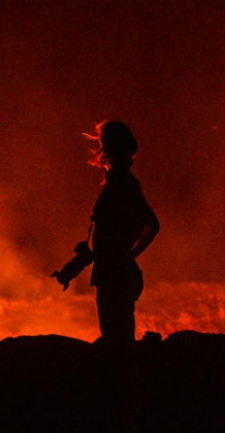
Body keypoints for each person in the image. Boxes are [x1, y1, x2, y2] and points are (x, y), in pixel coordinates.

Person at [85, 121, 159, 349]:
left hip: (114, 273)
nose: (102, 150)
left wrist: (124, 256)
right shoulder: (124, 181)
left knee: (116, 341)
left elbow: (152, 225)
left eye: (104, 143)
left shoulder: (122, 182)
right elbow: (151, 225)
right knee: (119, 338)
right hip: (115, 270)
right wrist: (127, 256)